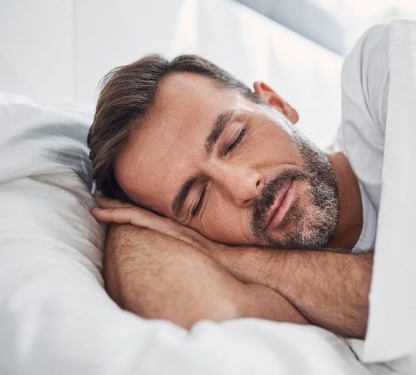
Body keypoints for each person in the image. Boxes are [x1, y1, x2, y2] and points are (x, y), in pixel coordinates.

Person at [88, 25, 389, 339]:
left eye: (234, 140)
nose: (244, 187)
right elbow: (207, 315)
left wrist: (228, 256)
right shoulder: (285, 292)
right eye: (197, 200)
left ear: (277, 103)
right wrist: (137, 225)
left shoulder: (381, 75)